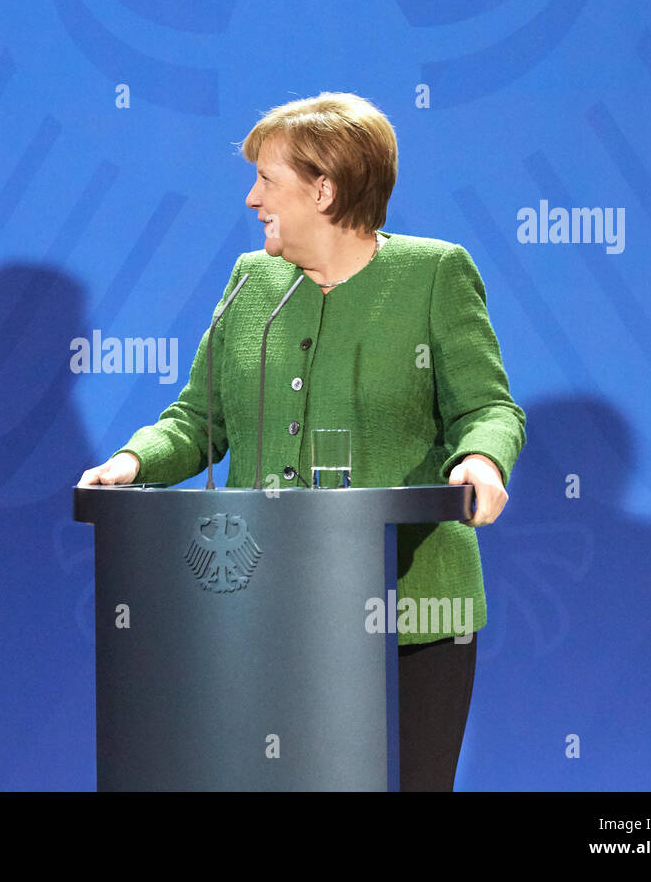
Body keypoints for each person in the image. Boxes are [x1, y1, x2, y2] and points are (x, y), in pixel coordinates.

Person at [78, 92, 525, 791]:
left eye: (267, 179)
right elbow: (199, 419)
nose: (252, 198)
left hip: (409, 612)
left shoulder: (433, 273)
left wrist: (481, 458)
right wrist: (133, 462)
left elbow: (488, 407)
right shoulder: (252, 281)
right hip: (266, 608)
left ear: (325, 188)